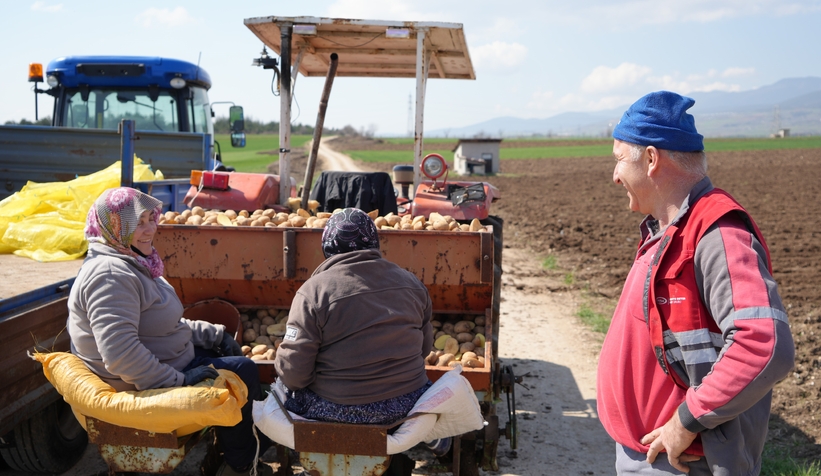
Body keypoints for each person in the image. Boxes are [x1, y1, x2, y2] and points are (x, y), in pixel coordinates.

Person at [596, 91, 795, 475]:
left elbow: (765, 343)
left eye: (619, 159)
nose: (615, 175)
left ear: (651, 159)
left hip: (684, 462)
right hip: (651, 455)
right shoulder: (670, 230)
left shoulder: (717, 234)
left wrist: (685, 421)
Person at [67, 187, 271, 476]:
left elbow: (160, 327)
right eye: (138, 222)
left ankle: (229, 446)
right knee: (243, 370)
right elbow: (120, 354)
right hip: (142, 380)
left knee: (222, 353)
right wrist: (179, 379)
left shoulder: (129, 260)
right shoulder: (111, 276)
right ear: (115, 227)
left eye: (152, 218)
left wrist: (215, 334)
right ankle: (242, 465)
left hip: (159, 360)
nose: (150, 228)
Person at [274, 207, 435, 430]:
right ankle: (432, 434)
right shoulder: (412, 282)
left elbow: (294, 373)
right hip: (408, 404)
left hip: (339, 409)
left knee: (281, 391)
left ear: (327, 246)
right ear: (374, 242)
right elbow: (425, 349)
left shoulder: (312, 291)